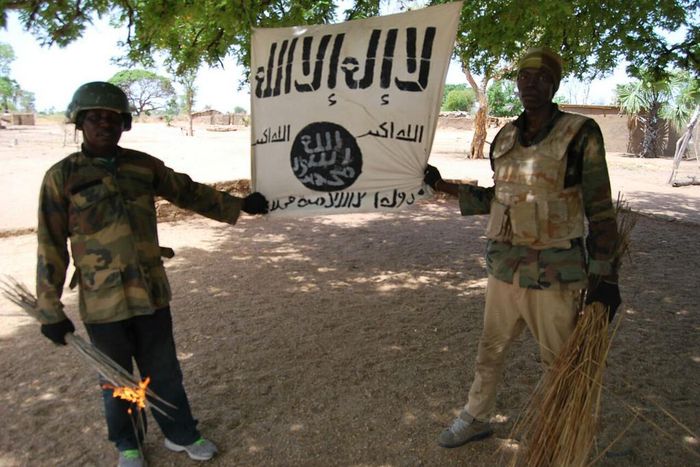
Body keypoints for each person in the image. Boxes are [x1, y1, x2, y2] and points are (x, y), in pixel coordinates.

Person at [35, 81, 269, 467]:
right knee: (115, 379)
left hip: (150, 293)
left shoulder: (142, 166)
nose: (104, 125)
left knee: (165, 371)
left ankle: (181, 434)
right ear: (80, 123)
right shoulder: (62, 177)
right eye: (95, 118)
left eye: (112, 118)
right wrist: (49, 309)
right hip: (102, 301)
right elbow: (51, 244)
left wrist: (239, 204)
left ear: (124, 124)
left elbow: (187, 191)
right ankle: (128, 444)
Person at [424, 47, 621, 448]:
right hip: (504, 269)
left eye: (540, 77)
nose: (530, 83)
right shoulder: (506, 136)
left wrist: (605, 276)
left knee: (561, 361)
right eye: (524, 76)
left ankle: (568, 434)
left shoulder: (580, 133)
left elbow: (600, 210)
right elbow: (500, 197)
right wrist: (441, 184)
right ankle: (476, 416)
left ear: (554, 83)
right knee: (489, 350)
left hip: (555, 272)